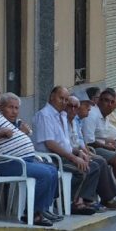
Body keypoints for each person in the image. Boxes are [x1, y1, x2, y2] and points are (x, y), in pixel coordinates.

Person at [0, 90, 60, 227]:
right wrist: (3, 132)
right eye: (10, 107)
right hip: (5, 162)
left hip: (19, 160)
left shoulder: (2, 118)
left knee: (52, 169)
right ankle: (33, 214)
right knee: (45, 174)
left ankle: (43, 209)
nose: (14, 111)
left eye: (16, 108)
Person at [32, 86, 100, 215]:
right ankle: (67, 202)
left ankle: (78, 201)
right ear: (52, 97)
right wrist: (73, 157)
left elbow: (65, 144)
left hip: (62, 155)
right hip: (50, 157)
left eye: (65, 99)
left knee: (94, 165)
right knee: (81, 170)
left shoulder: (62, 115)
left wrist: (78, 152)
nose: (63, 102)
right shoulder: (45, 115)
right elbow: (51, 144)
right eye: (60, 98)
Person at [70, 94, 116, 207]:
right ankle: (102, 199)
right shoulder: (82, 118)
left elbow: (80, 141)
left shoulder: (77, 121)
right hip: (80, 151)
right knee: (101, 161)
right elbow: (85, 141)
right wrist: (84, 152)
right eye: (86, 106)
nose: (89, 109)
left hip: (85, 150)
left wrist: (85, 151)